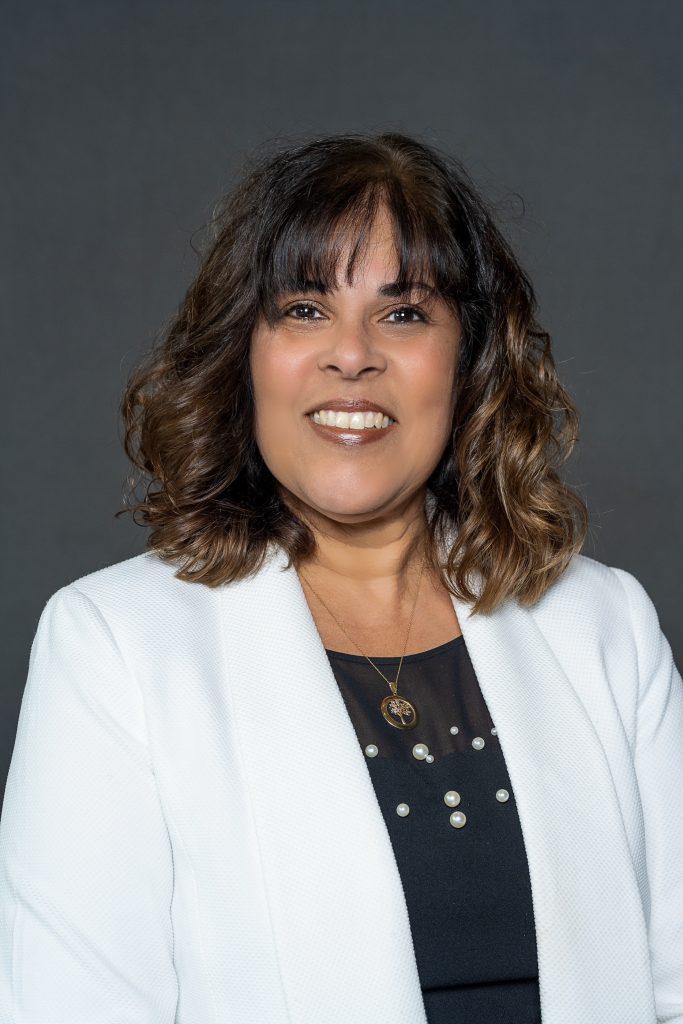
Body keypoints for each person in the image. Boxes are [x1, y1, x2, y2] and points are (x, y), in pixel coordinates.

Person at [0, 132, 681, 1024]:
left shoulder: (605, 624)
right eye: (304, 308)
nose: (350, 354)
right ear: (243, 353)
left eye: (403, 314)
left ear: (468, 358)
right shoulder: (113, 646)